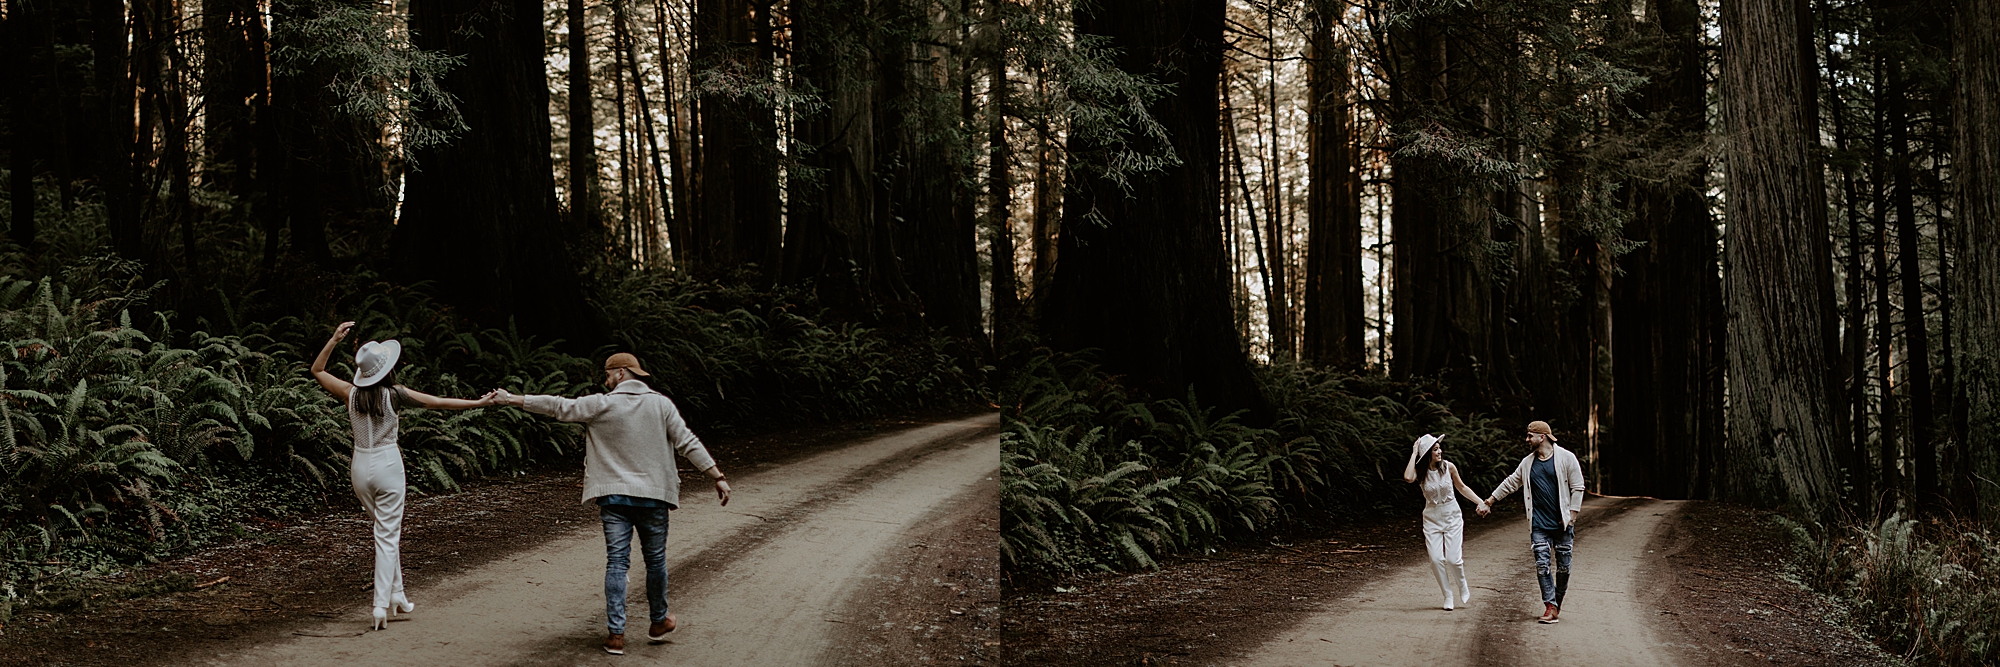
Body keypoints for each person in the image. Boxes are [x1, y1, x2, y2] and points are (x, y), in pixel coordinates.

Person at [489, 353, 730, 656]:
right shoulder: (661, 405)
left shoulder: (602, 404)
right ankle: (658, 622)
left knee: (617, 562)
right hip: (654, 498)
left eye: (607, 375)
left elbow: (558, 406)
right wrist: (716, 475)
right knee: (655, 561)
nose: (605, 381)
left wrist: (510, 399)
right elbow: (687, 442)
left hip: (614, 497)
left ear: (620, 373)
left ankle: (616, 635)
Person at [310, 321, 497, 630]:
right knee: (386, 536)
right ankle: (380, 606)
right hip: (387, 465)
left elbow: (317, 370)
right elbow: (439, 403)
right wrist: (478, 403)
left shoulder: (349, 393)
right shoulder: (395, 394)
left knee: (384, 532)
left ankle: (398, 595)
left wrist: (333, 340)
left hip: (359, 466)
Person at [1477, 420, 1586, 624]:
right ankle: (1549, 605)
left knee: (1564, 568)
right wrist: (1489, 501)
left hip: (1562, 523)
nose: (1527, 439)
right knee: (1542, 565)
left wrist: (1572, 515)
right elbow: (1511, 483)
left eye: (1530, 436)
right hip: (1539, 524)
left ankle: (1556, 602)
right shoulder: (1527, 463)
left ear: (1541, 437)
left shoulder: (1566, 458)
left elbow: (1578, 487)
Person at [1403, 433, 1488, 611]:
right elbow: (1408, 477)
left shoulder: (1448, 467)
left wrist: (1481, 502)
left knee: (1453, 559)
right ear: (1427, 454)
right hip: (1432, 518)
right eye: (1435, 449)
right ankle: (1447, 595)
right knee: (1435, 559)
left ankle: (1462, 584)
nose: (1440, 451)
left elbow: (1462, 487)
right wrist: (1414, 453)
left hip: (1452, 515)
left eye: (1439, 448)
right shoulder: (1421, 472)